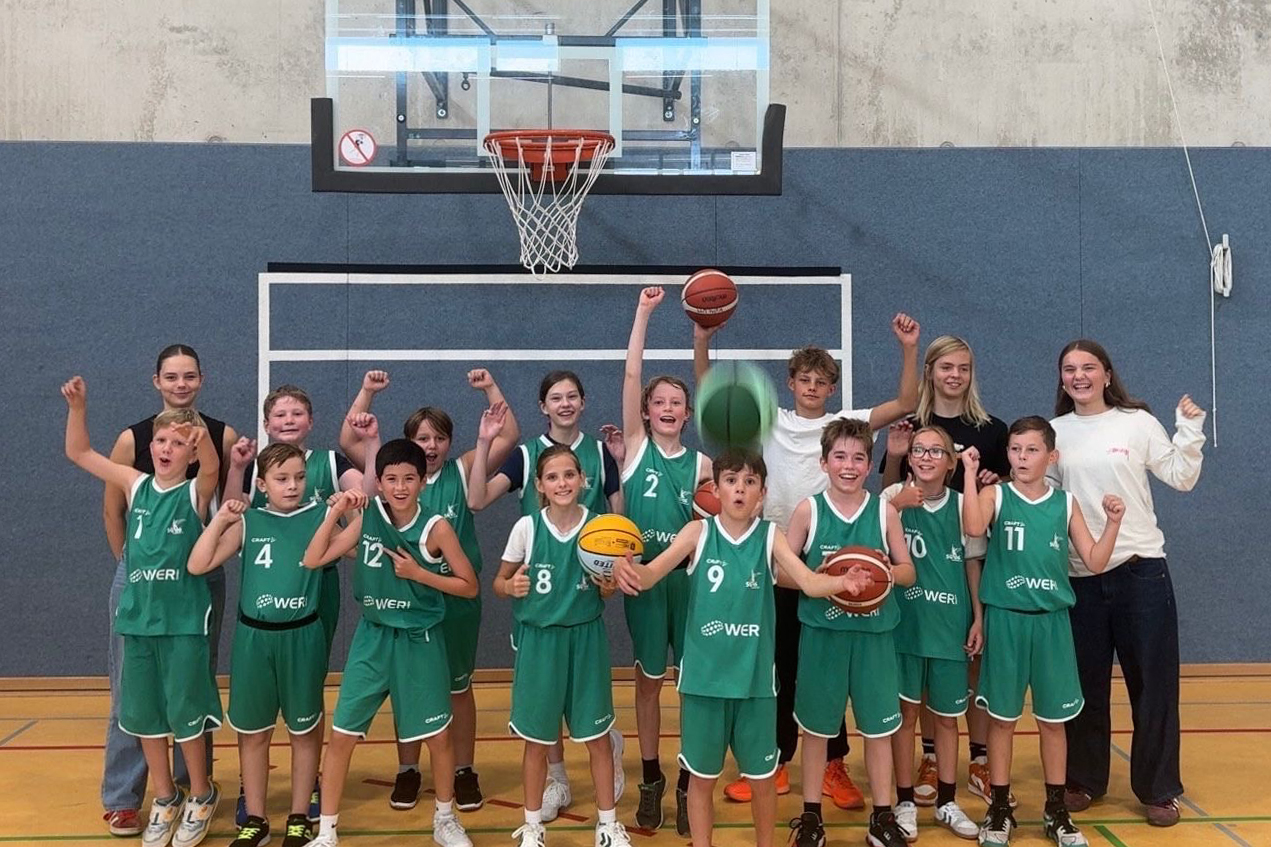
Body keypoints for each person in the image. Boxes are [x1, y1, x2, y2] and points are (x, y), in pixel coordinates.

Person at [694, 315, 920, 807]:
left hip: (834, 562)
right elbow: (712, 394)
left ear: (832, 388)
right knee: (778, 665)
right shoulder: (769, 420)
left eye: (822, 381)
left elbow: (906, 402)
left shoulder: (845, 426)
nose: (813, 387)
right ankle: (774, 762)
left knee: (828, 669)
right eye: (805, 379)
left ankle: (834, 766)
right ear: (791, 383)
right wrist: (701, 338)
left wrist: (909, 347)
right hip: (777, 554)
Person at [613, 450, 872, 847]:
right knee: (701, 780)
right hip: (703, 685)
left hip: (755, 687)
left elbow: (807, 581)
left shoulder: (770, 536)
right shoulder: (697, 533)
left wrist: (842, 582)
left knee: (763, 781)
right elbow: (650, 574)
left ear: (762, 494)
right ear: (715, 489)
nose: (740, 489)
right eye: (731, 481)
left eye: (750, 482)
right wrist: (627, 569)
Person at [339, 368, 520, 813]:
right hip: (404, 600)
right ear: (408, 444)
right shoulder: (395, 479)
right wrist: (366, 393)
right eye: (422, 438)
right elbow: (349, 439)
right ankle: (408, 769)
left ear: (450, 443)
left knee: (458, 687)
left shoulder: (463, 470)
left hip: (454, 599)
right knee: (406, 688)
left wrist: (490, 389)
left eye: (439, 437)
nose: (432, 445)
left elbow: (509, 434)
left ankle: (464, 770)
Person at [1048, 340, 1205, 827]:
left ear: (1107, 374)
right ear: (1061, 379)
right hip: (1079, 576)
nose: (1079, 376)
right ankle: (1083, 779)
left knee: (1153, 685)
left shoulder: (1137, 422)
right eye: (1069, 369)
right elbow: (1044, 499)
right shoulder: (1055, 432)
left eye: (1088, 367)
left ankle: (1158, 789)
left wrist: (1190, 430)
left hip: (1140, 572)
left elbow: (1181, 476)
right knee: (1084, 686)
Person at [63, 376, 223, 847]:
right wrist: (78, 407)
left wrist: (201, 436)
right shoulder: (135, 484)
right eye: (161, 440)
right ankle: (166, 797)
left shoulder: (195, 492)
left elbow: (212, 466)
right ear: (150, 447)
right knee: (144, 716)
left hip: (184, 624)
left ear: (191, 452)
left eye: (178, 442)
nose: (167, 448)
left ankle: (201, 794)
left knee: (186, 714)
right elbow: (79, 453)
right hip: (137, 620)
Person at [302, 440, 479, 847]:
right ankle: (327, 832)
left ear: (422, 482)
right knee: (342, 735)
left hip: (420, 638)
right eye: (392, 479)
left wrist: (420, 574)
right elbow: (313, 559)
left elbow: (469, 585)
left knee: (438, 737)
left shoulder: (437, 527)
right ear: (379, 482)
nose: (400, 487)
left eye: (409, 479)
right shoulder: (368, 519)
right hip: (373, 637)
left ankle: (445, 819)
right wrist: (335, 513)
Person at [961, 417, 1126, 847]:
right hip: (1006, 620)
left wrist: (1113, 523)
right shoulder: (996, 495)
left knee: (1054, 723)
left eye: (1031, 450)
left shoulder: (1065, 503)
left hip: (1052, 623)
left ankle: (1056, 811)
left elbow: (1094, 561)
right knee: (1002, 721)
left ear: (1051, 457)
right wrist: (968, 473)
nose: (1021, 458)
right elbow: (974, 528)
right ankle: (999, 808)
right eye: (1015, 449)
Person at [469, 371, 625, 819]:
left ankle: (604, 749)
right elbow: (477, 500)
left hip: (580, 597)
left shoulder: (600, 452)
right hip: (537, 604)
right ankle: (557, 780)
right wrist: (485, 443)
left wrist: (611, 574)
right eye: (556, 397)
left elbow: (621, 521)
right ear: (543, 406)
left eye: (573, 396)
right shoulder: (524, 456)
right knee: (544, 712)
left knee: (583, 710)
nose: (565, 403)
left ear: (584, 401)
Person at [99, 345, 238, 837]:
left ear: (202, 379)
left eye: (189, 376)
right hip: (141, 574)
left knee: (190, 684)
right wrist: (132, 562)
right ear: (156, 380)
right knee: (133, 689)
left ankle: (191, 789)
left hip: (197, 573)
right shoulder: (133, 438)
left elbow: (226, 495)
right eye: (172, 376)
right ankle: (124, 796)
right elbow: (112, 509)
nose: (181, 384)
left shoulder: (219, 435)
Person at [188, 444, 346, 847]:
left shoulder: (320, 517)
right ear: (261, 485)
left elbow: (358, 547)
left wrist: (347, 510)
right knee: (254, 733)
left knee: (304, 732)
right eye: (281, 479)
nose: (292, 486)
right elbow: (198, 564)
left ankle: (299, 817)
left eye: (299, 477)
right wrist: (220, 519)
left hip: (303, 636)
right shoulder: (249, 521)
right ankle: (256, 820)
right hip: (254, 639)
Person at [223, 383, 364, 826]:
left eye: (297, 413)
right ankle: (251, 788)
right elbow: (230, 510)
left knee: (307, 686)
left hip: (316, 586)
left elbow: (366, 501)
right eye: (280, 415)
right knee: (259, 706)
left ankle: (309, 784)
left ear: (311, 421)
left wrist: (351, 504)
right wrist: (236, 468)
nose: (288, 420)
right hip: (266, 593)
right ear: (267, 424)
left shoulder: (329, 463)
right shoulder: (255, 469)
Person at [880, 336, 1010, 809]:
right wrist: (897, 457)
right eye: (946, 367)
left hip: (964, 557)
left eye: (964, 368)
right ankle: (931, 758)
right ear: (930, 371)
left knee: (968, 662)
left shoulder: (992, 430)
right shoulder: (912, 427)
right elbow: (886, 493)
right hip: (915, 559)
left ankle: (978, 758)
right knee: (918, 672)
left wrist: (994, 481)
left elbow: (1008, 490)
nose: (955, 375)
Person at [784, 418, 917, 847]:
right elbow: (781, 572)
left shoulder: (884, 511)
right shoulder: (808, 510)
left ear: (868, 464)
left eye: (858, 458)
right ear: (823, 462)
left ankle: (882, 817)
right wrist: (817, 576)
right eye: (839, 456)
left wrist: (885, 571)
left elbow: (909, 571)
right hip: (823, 635)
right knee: (817, 731)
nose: (849, 465)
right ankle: (811, 818)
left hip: (874, 635)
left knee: (878, 730)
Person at [492, 444, 632, 847]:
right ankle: (533, 826)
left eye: (569, 474)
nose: (562, 483)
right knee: (537, 741)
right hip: (539, 642)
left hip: (586, 639)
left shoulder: (601, 528)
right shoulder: (527, 528)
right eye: (552, 477)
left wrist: (609, 586)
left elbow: (607, 591)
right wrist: (510, 587)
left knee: (597, 739)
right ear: (539, 485)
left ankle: (608, 825)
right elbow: (499, 582)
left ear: (583, 479)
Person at [614, 287, 712, 833]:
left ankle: (687, 778)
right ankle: (651, 778)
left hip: (690, 583)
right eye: (660, 402)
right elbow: (632, 374)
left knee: (691, 686)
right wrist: (643, 313)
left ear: (687, 413)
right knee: (649, 683)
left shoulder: (702, 465)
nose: (668, 408)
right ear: (647, 412)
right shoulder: (634, 448)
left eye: (677, 403)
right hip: (644, 584)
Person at [882, 425, 983, 841]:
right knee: (905, 717)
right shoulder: (892, 498)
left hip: (949, 626)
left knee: (946, 718)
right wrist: (896, 505)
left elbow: (972, 563)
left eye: (935, 451)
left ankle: (947, 801)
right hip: (904, 625)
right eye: (919, 450)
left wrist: (978, 617)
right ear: (909, 458)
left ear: (951, 462)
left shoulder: (962, 505)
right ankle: (905, 801)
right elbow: (870, 540)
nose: (925, 457)